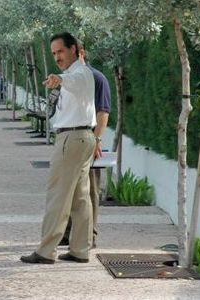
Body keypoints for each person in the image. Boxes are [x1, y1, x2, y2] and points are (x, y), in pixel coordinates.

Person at [21, 32, 96, 264]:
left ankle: (46, 251)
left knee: (58, 196)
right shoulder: (74, 74)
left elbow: (73, 83)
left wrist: (60, 79)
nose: (57, 57)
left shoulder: (80, 73)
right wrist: (61, 79)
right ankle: (80, 249)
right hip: (81, 138)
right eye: (54, 53)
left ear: (74, 49)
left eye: (60, 51)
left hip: (72, 139)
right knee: (79, 197)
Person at [59, 45, 111, 248]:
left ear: (80, 53)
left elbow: (103, 112)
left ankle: (89, 235)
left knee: (89, 191)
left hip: (86, 140)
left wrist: (97, 139)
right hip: (68, 141)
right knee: (70, 190)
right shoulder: (67, 80)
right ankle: (69, 232)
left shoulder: (97, 78)